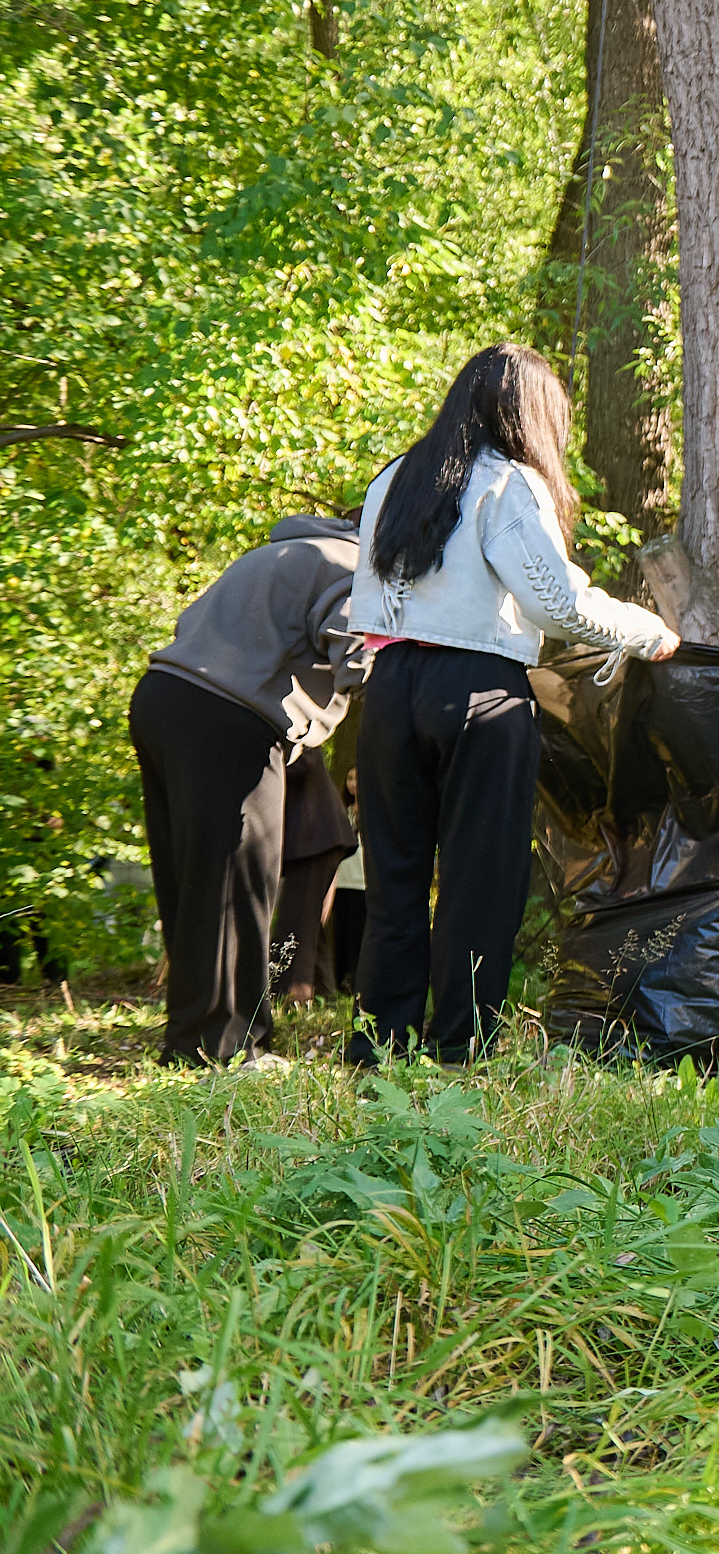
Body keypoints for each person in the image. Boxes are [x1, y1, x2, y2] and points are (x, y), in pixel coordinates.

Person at [346, 345, 679, 1068]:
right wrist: (646, 631)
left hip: (391, 684)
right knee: (480, 880)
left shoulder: (393, 479)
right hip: (478, 691)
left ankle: (378, 1052)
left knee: (394, 881)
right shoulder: (506, 481)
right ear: (524, 412)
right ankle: (460, 1051)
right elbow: (554, 601)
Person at [130, 513, 365, 1062]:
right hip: (228, 717)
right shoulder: (353, 565)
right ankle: (226, 1050)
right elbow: (357, 644)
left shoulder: (280, 554)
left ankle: (197, 1036)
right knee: (242, 881)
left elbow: (192, 621)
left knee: (193, 882)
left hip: (163, 697)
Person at [274, 749, 355, 1004]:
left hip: (317, 837)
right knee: (305, 916)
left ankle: (290, 994)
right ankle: (322, 991)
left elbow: (303, 763)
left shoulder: (293, 726)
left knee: (297, 915)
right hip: (313, 839)